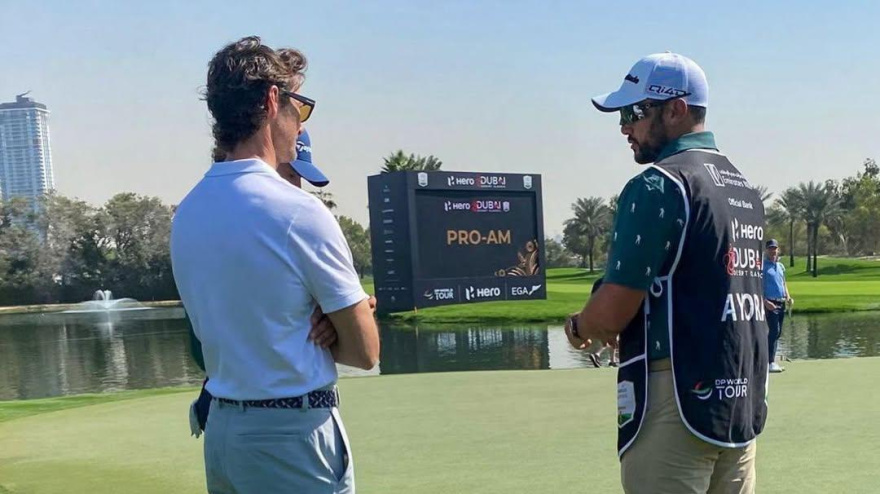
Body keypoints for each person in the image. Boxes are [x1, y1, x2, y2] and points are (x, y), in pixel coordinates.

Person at [172, 36, 379, 494]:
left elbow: (210, 343)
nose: (299, 126)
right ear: (271, 100)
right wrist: (343, 323)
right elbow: (365, 353)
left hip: (223, 431)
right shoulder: (298, 212)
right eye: (298, 108)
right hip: (291, 436)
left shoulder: (187, 212)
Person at [565, 52, 768, 493]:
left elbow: (610, 314)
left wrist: (578, 327)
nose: (624, 127)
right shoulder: (743, 187)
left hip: (675, 401)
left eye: (634, 112)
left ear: (675, 109)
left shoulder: (658, 184)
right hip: (738, 403)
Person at [763, 239, 792, 373]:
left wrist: (788, 296)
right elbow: (757, 287)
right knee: (774, 331)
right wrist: (765, 302)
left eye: (774, 248)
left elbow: (783, 282)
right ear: (766, 250)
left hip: (781, 302)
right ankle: (770, 362)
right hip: (770, 303)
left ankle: (769, 360)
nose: (772, 251)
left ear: (778, 250)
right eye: (770, 248)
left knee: (778, 332)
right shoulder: (762, 266)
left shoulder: (780, 266)